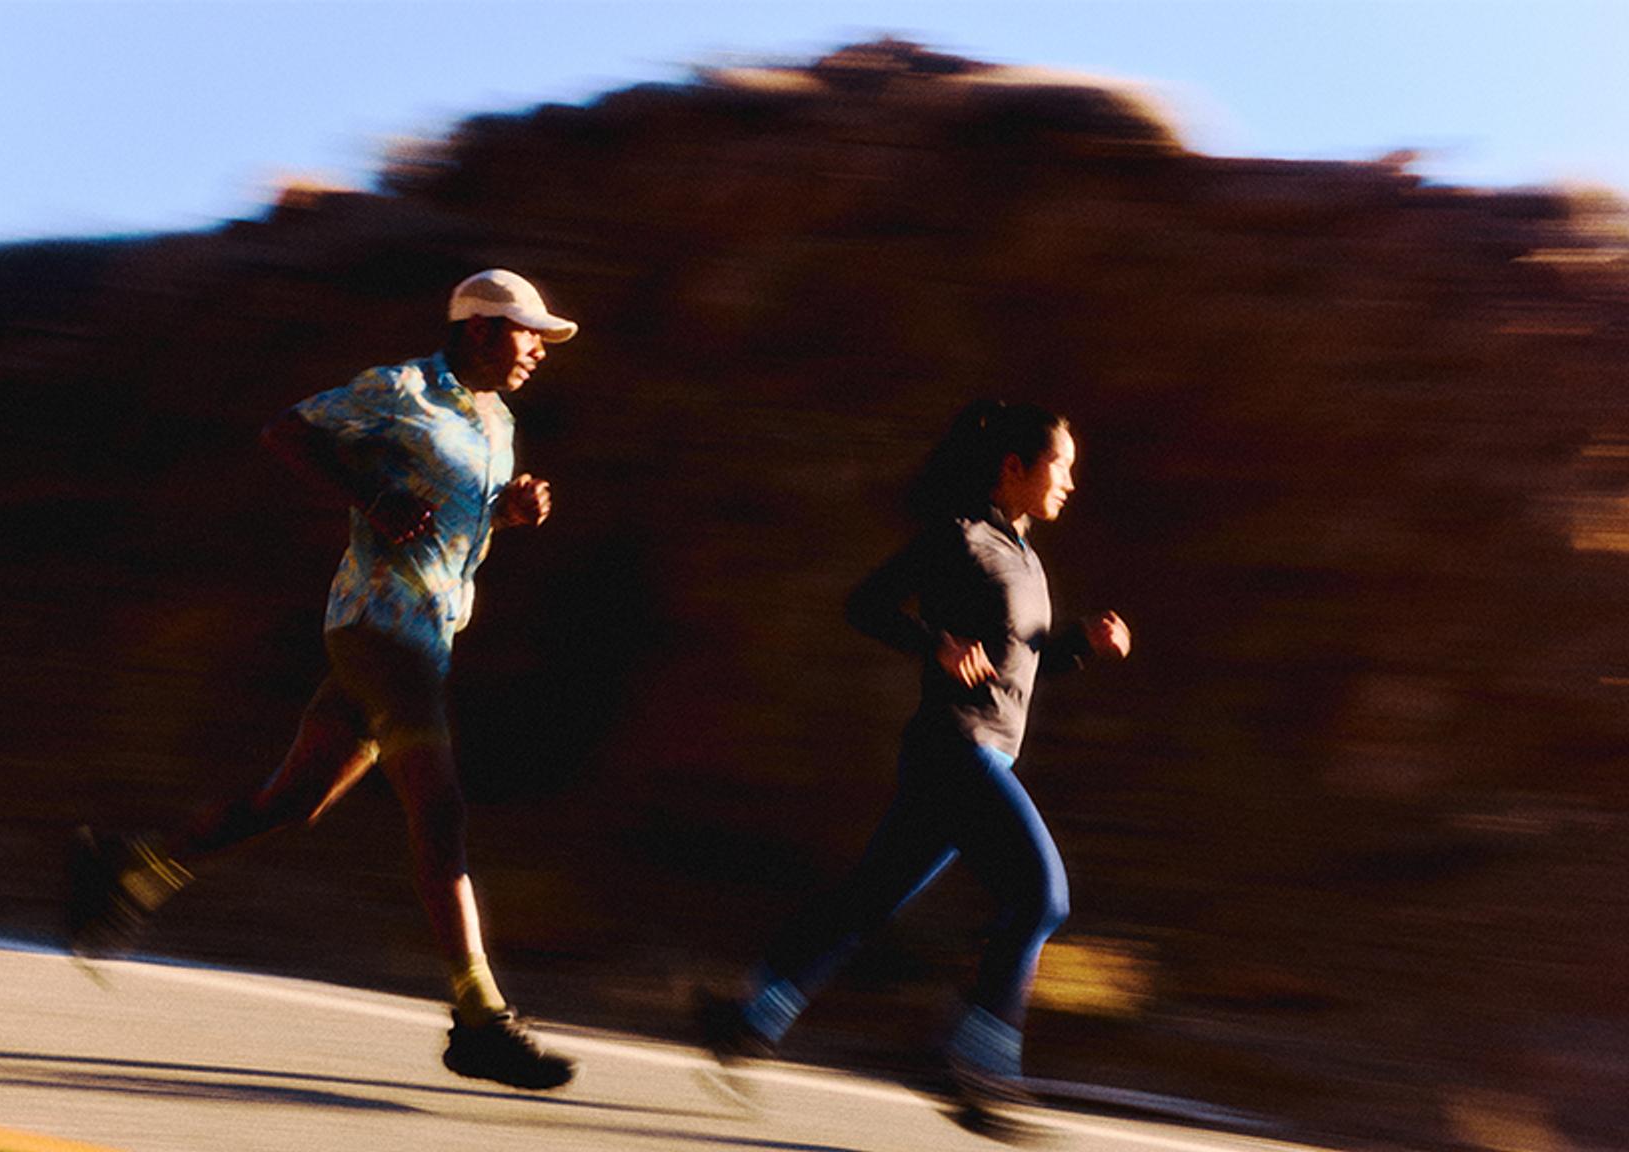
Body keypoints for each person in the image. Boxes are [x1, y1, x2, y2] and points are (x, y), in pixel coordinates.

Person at [66, 268, 579, 1091]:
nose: (538, 351)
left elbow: (454, 525)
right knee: (438, 812)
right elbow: (288, 432)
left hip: (429, 636)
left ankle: (127, 867)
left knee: (293, 802)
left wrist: (505, 514)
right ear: (480, 328)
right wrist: (369, 495)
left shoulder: (498, 422)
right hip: (378, 628)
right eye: (527, 334)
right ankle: (479, 1015)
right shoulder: (400, 389)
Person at [700, 399, 1131, 1111]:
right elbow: (865, 604)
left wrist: (1080, 643)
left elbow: (1021, 663)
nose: (1071, 483)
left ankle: (747, 1015)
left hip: (975, 754)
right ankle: (978, 1062)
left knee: (869, 899)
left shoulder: (1024, 556)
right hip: (955, 751)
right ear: (1014, 467)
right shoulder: (959, 539)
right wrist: (934, 641)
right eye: (1062, 466)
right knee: (1040, 895)